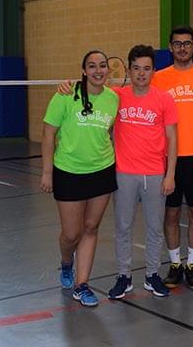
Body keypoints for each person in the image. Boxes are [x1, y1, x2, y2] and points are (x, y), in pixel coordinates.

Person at [41, 50, 119, 307]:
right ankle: (66, 263)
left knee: (91, 227)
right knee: (71, 233)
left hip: (102, 170)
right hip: (69, 172)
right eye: (92, 66)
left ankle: (82, 284)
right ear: (84, 70)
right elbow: (49, 134)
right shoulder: (65, 95)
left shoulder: (113, 99)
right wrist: (47, 172)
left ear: (108, 70)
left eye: (103, 66)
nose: (98, 70)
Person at [106, 45, 177, 300]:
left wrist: (170, 174)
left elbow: (172, 137)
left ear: (153, 71)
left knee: (155, 228)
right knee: (123, 227)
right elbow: (90, 93)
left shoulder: (164, 98)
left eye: (146, 69)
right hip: (124, 173)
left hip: (155, 173)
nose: (141, 74)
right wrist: (69, 86)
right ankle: (124, 276)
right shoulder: (116, 96)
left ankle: (151, 275)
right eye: (136, 68)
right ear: (128, 70)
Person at [152, 26, 193, 290]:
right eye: (177, 44)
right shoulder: (157, 78)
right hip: (168, 159)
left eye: (187, 44)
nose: (182, 48)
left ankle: (192, 265)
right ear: (170, 47)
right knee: (171, 213)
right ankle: (175, 264)